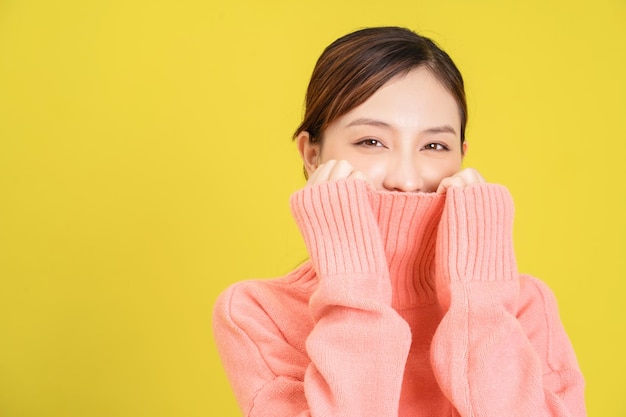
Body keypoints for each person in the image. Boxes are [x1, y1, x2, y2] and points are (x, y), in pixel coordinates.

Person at [212, 26, 586, 416]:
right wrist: (352, 289)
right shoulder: (258, 312)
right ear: (312, 155)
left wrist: (481, 302)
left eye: (434, 146)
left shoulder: (522, 305)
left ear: (462, 156)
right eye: (371, 142)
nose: (407, 181)